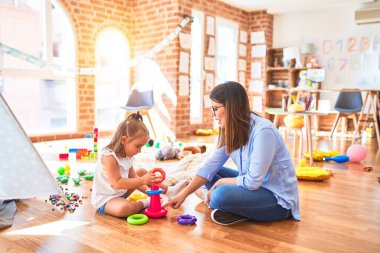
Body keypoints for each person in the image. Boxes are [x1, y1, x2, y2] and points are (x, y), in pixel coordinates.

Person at [164, 81, 300, 225]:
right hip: (253, 188)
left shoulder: (263, 131)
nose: (212, 114)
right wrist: (183, 195)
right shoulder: (231, 129)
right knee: (210, 174)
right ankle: (235, 208)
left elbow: (252, 182)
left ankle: (227, 205)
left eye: (215, 108)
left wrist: (219, 183)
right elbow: (209, 167)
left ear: (231, 107)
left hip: (276, 200)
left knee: (220, 195)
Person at [91, 112, 187, 218]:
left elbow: (134, 177)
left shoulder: (127, 156)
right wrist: (143, 182)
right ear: (124, 140)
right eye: (138, 146)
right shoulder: (109, 157)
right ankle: (145, 203)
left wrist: (148, 191)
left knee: (141, 172)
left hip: (120, 193)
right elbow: (118, 182)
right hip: (106, 199)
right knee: (125, 209)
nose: (139, 151)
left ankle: (169, 191)